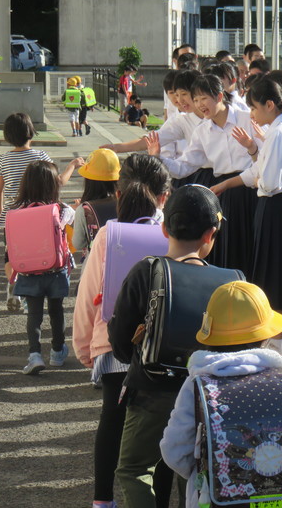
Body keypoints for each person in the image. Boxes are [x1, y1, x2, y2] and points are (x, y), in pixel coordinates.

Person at [108, 184, 223, 508]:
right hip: (205, 394)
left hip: (150, 388)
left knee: (134, 468)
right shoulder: (228, 281)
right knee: (196, 469)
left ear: (163, 227)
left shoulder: (145, 271)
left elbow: (119, 341)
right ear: (210, 234)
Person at [73, 155, 170, 508]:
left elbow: (87, 300)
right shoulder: (172, 235)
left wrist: (85, 349)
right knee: (159, 429)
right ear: (165, 196)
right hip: (161, 347)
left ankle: (102, 500)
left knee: (112, 421)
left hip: (113, 348)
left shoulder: (107, 236)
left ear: (118, 192)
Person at [159, 280, 282, 508]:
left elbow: (174, 448)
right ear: (265, 335)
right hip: (279, 496)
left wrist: (203, 472)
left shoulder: (199, 382)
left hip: (214, 498)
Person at [212, 78, 282, 352]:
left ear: (269, 104)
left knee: (279, 280)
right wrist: (228, 183)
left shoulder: (279, 133)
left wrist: (253, 174)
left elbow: (267, 180)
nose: (251, 114)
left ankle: (279, 344)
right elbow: (260, 173)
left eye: (253, 107)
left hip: (277, 206)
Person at [146, 74, 261, 277]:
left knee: (251, 245)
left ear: (218, 96)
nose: (199, 105)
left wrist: (252, 147)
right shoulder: (202, 131)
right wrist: (159, 159)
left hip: (250, 189)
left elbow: (264, 156)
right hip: (222, 192)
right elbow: (185, 166)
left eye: (203, 99)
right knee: (226, 245)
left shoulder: (246, 118)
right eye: (196, 100)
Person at [0, 112, 83, 311]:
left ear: (7, 135)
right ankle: (35, 286)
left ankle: (13, 283)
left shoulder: (4, 159)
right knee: (39, 251)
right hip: (40, 216)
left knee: (11, 254)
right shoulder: (40, 156)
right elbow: (58, 181)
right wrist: (72, 165)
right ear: (30, 132)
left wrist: (0, 212)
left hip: (12, 217)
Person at [8, 160, 76, 375]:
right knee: (57, 312)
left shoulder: (15, 212)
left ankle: (34, 355)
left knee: (34, 315)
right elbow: (73, 238)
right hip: (56, 271)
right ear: (54, 185)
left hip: (28, 271)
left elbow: (8, 246)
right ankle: (57, 352)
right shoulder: (62, 210)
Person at [72, 149, 121, 264]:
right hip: (124, 263)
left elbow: (78, 243)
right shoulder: (127, 202)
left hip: (96, 267)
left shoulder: (84, 210)